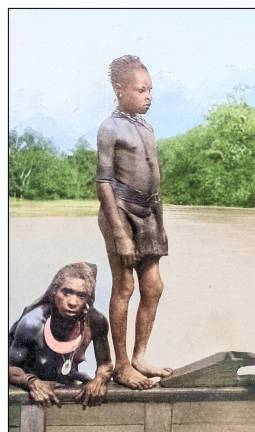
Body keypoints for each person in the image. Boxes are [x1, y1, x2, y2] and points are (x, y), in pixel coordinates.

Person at [97, 55, 172, 389]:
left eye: (150, 90)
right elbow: (103, 182)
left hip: (150, 212)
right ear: (119, 89)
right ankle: (122, 365)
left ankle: (140, 356)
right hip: (121, 212)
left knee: (154, 286)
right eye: (141, 90)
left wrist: (158, 219)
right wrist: (120, 234)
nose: (148, 96)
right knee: (125, 286)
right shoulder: (109, 128)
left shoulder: (147, 126)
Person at [9, 263, 112, 407]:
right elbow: (10, 367)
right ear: (54, 293)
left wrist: (99, 380)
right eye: (67, 292)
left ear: (88, 300)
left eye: (81, 296)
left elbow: (105, 364)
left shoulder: (95, 321)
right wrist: (32, 382)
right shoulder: (32, 323)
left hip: (67, 386)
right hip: (35, 395)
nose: (72, 302)